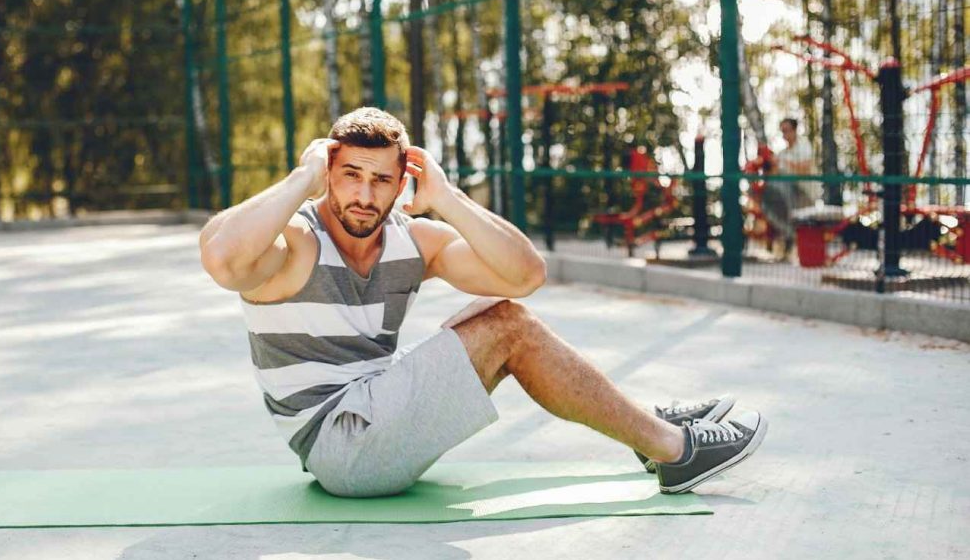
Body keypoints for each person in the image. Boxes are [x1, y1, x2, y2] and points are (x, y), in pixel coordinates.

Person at [199, 107, 767, 497]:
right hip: (338, 443)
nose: (364, 195)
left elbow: (524, 275)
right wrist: (302, 178)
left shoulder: (410, 239)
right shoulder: (296, 240)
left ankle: (642, 427)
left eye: (381, 180)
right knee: (506, 329)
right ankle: (673, 451)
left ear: (403, 183)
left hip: (376, 418)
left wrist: (446, 198)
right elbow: (222, 259)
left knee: (496, 316)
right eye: (349, 176)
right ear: (329, 173)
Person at [761, 117, 821, 252]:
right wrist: (768, 164)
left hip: (805, 193)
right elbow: (773, 176)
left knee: (782, 188)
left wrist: (783, 163)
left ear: (795, 130)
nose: (785, 134)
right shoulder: (782, 154)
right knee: (767, 195)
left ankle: (790, 233)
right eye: (782, 131)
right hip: (788, 195)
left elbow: (804, 168)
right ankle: (788, 233)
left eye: (787, 130)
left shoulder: (804, 146)